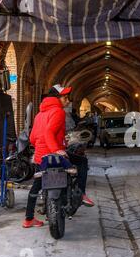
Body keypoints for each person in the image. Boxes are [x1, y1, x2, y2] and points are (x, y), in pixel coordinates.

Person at [23, 85, 94, 228]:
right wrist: (57, 148)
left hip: (40, 157)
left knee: (36, 186)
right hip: (54, 154)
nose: (67, 101)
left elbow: (32, 138)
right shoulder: (58, 112)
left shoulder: (39, 114)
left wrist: (56, 141)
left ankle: (28, 219)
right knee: (82, 162)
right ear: (56, 98)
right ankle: (81, 193)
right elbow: (49, 132)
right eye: (64, 98)